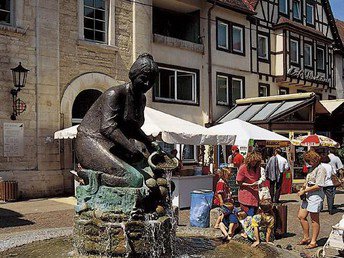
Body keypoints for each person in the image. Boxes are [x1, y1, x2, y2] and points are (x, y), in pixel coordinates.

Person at [75, 53, 159, 188]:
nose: (147, 84)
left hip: (112, 144)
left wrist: (149, 142)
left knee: (151, 175)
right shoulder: (114, 94)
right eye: (143, 79)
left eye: (152, 81)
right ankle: (92, 178)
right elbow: (108, 127)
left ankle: (143, 205)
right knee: (134, 179)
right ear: (133, 75)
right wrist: (131, 149)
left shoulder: (141, 99)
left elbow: (133, 128)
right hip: (90, 141)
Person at [297, 150, 326, 249]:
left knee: (314, 219)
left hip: (316, 195)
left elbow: (319, 185)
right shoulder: (311, 168)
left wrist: (304, 191)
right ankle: (306, 237)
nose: (309, 163)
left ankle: (314, 241)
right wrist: (303, 188)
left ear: (315, 159)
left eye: (310, 161)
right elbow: (307, 180)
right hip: (308, 194)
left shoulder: (321, 169)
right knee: (301, 216)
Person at [236, 151, 262, 216]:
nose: (254, 163)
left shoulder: (257, 168)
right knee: (248, 215)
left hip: (255, 196)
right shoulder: (243, 168)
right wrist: (250, 185)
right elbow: (238, 182)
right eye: (253, 161)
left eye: (256, 161)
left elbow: (258, 179)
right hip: (245, 196)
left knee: (254, 215)